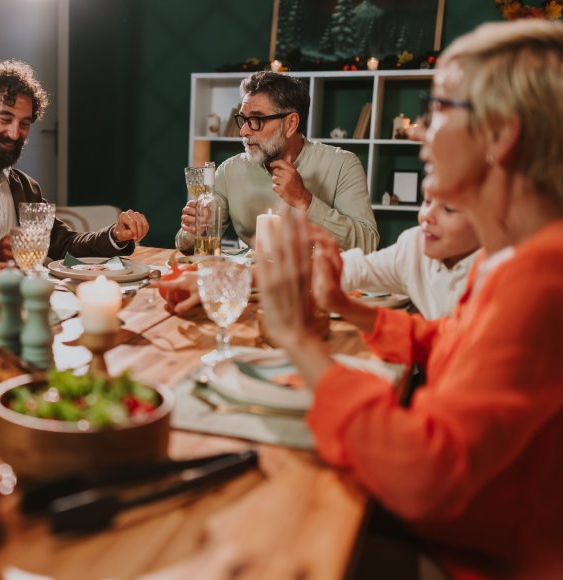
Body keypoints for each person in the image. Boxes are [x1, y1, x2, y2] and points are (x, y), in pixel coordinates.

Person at [256, 20, 563, 578]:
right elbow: (457, 339)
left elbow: (421, 477)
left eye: (438, 107)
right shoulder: (518, 255)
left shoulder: (545, 279)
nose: (418, 130)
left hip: (480, 559)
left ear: (501, 136)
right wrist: (351, 309)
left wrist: (300, 342)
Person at [0, 60, 150, 281]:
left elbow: (64, 244)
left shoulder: (25, 186)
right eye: (5, 119)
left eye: (24, 123)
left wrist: (115, 235)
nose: (15, 134)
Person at [176, 71, 378, 254]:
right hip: (252, 287)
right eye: (243, 119)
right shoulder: (230, 170)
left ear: (291, 124)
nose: (243, 131)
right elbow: (186, 246)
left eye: (256, 120)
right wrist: (194, 230)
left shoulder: (342, 164)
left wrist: (305, 201)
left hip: (320, 287)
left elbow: (367, 244)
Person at [336, 192, 480, 320]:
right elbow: (361, 268)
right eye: (427, 201)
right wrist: (326, 266)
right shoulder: (415, 246)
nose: (426, 216)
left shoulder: (496, 271)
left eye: (448, 208)